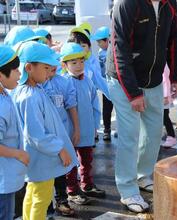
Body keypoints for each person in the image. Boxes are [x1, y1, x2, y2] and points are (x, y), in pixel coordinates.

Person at [107, 0, 177, 213]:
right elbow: (118, 47)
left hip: (154, 81)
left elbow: (175, 41)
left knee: (153, 131)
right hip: (124, 80)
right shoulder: (127, 4)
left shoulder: (170, 6)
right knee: (130, 134)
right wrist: (133, 93)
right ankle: (128, 189)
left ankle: (142, 175)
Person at [11, 41, 79, 220]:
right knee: (41, 199)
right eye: (46, 67)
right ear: (29, 68)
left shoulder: (28, 90)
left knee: (33, 194)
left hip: (37, 158)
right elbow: (37, 135)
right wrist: (60, 149)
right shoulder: (30, 96)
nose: (50, 72)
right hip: (44, 158)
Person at [60, 42, 106, 204]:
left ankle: (86, 184)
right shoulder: (64, 83)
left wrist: (95, 127)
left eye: (81, 61)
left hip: (86, 130)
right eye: (74, 63)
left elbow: (95, 105)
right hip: (70, 132)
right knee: (71, 162)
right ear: (64, 65)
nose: (79, 65)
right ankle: (72, 190)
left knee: (86, 160)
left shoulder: (87, 81)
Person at [43, 66, 80, 216]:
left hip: (60, 134)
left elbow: (71, 105)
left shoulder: (63, 82)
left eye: (53, 65)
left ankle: (61, 200)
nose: (51, 69)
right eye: (46, 66)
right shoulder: (35, 86)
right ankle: (46, 206)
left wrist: (76, 129)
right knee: (43, 174)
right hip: (43, 137)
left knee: (60, 169)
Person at [0, 45, 29, 220]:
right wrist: (18, 153)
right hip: (3, 181)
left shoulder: (5, 93)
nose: (19, 74)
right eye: (15, 70)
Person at [91, 26, 114, 141]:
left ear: (107, 40)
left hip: (117, 85)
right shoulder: (101, 52)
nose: (98, 44)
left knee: (121, 109)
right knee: (107, 109)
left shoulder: (114, 50)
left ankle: (122, 130)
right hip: (106, 86)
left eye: (99, 41)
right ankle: (107, 130)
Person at [162, 64, 177, 147]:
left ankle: (171, 136)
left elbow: (165, 80)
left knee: (165, 117)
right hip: (158, 96)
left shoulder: (161, 62)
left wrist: (165, 96)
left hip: (163, 97)